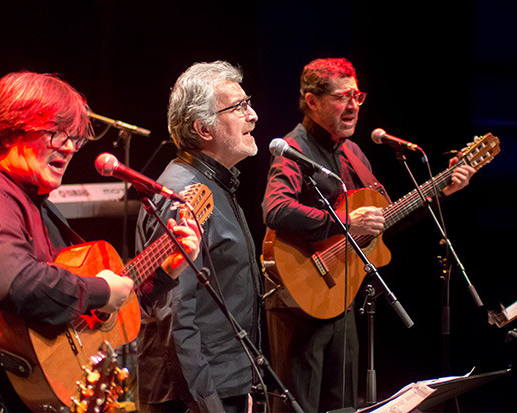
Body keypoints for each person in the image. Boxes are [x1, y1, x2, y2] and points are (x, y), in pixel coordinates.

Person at [0, 71, 200, 412]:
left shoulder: (35, 204)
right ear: (7, 130)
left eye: (75, 139)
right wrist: (101, 290)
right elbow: (16, 282)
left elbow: (87, 315)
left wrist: (162, 273)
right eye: (55, 134)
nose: (69, 147)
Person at [261, 57, 476, 412]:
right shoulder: (292, 150)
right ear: (312, 101)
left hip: (341, 298)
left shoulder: (353, 153)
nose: (353, 106)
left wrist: (441, 191)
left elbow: (384, 220)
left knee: (344, 406)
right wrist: (347, 223)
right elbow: (276, 210)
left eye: (357, 96)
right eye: (342, 97)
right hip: (298, 303)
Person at [135, 60, 263, 412]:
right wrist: (208, 403)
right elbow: (175, 315)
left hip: (223, 385)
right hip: (191, 397)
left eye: (247, 103)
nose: (252, 115)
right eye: (238, 107)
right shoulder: (183, 194)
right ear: (202, 128)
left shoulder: (214, 183)